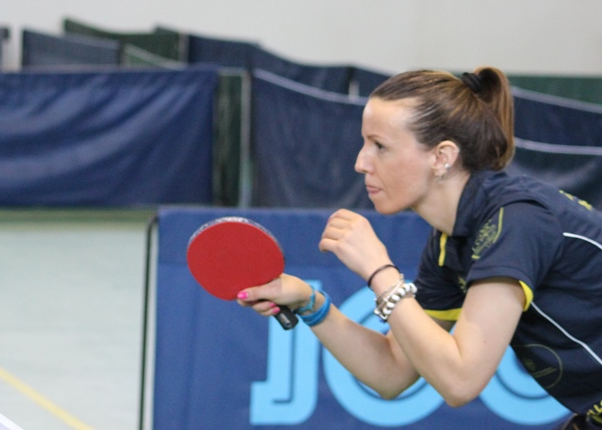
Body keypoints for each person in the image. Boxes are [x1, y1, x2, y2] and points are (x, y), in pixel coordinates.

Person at [237, 67, 602, 430]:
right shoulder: (451, 241)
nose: (361, 163)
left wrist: (380, 272)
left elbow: (461, 380)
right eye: (365, 144)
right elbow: (392, 373)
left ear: (442, 157)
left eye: (380, 146)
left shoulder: (516, 221)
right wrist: (310, 304)